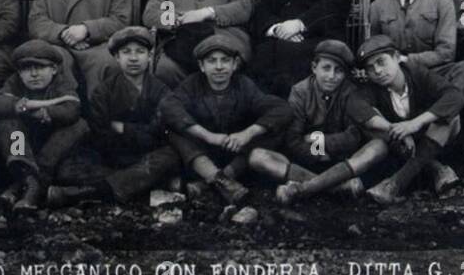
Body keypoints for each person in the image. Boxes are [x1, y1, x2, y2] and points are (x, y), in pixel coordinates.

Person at [158, 32, 292, 205]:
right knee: (171, 129)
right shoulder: (192, 84)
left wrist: (248, 133)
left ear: (235, 64)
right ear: (201, 65)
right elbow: (168, 106)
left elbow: (282, 109)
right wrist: (207, 135)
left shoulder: (244, 85)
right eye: (212, 61)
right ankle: (215, 177)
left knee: (273, 129)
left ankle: (219, 181)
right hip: (203, 154)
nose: (219, 67)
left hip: (235, 155)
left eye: (225, 60)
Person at [248, 40, 388, 204]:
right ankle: (335, 189)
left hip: (344, 163)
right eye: (326, 68)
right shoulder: (300, 92)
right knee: (257, 157)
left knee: (379, 146)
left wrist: (319, 140)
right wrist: (318, 154)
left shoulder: (350, 92)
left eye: (338, 71)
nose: (331, 76)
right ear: (314, 68)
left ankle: (304, 189)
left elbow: (353, 136)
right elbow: (293, 140)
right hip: (305, 163)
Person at [55, 27, 182, 207]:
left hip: (146, 156)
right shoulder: (104, 91)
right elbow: (100, 132)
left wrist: (124, 128)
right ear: (116, 57)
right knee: (67, 170)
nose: (133, 58)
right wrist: (136, 134)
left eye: (140, 52)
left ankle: (93, 192)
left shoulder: (161, 91)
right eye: (126, 52)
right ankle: (137, 185)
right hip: (113, 157)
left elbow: (160, 132)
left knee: (171, 156)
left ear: (150, 56)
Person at [357, 35, 464, 204]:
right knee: (369, 125)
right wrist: (395, 128)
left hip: (434, 137)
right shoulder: (372, 87)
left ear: (397, 57)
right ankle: (435, 168)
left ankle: (396, 183)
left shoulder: (417, 73)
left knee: (448, 116)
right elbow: (358, 109)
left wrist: (415, 123)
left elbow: (454, 97)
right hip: (401, 145)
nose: (377, 71)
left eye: (381, 62)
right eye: (370, 68)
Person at [0, 40, 84, 212]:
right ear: (19, 72)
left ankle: (30, 186)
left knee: (78, 126)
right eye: (26, 68)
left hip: (53, 148)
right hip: (24, 145)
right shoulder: (14, 82)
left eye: (40, 67)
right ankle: (28, 181)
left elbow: (72, 108)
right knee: (7, 123)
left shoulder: (62, 82)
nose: (33, 74)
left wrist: (46, 113)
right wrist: (22, 106)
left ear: (54, 69)